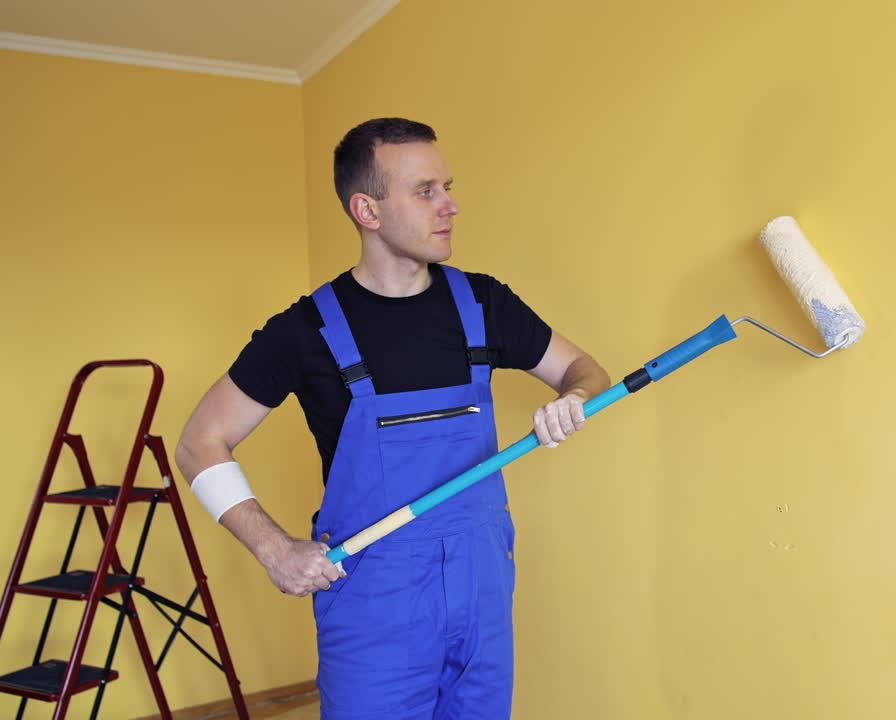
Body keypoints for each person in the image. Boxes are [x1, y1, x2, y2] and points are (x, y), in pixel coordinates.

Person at [175, 117, 610, 719]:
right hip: (376, 602)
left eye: (447, 187)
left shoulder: (483, 303)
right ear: (368, 210)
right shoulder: (306, 331)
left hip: (482, 586)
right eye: (425, 191)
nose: (450, 206)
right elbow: (200, 442)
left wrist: (575, 399)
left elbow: (584, 369)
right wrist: (275, 550)